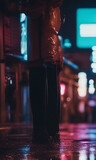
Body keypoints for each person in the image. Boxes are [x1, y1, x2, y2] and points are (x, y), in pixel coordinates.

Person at [21, 0, 63, 143]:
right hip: (43, 50)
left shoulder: (44, 7)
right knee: (47, 89)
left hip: (44, 50)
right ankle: (48, 131)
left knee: (45, 90)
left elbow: (33, 10)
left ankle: (45, 131)